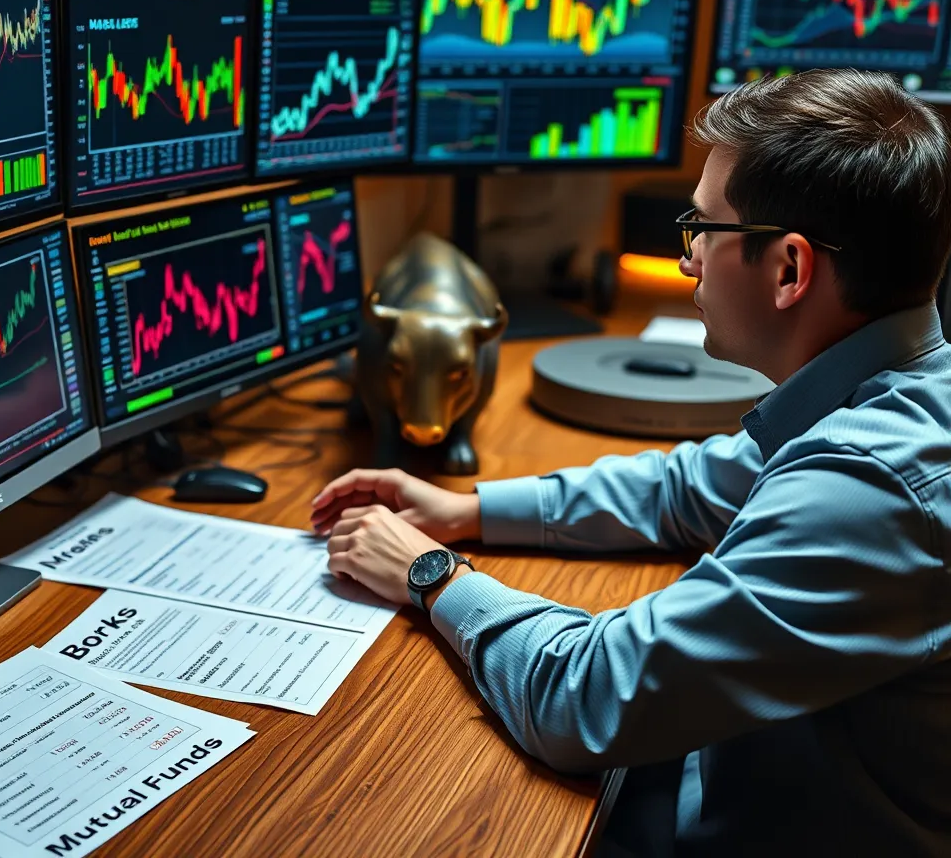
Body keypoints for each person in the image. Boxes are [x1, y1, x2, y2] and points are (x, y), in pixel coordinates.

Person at [309, 69, 951, 857]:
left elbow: (584, 700)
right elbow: (691, 487)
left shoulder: (871, 488)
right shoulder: (897, 396)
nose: (687, 263)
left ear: (789, 270)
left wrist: (433, 575)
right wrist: (468, 508)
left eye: (704, 230)